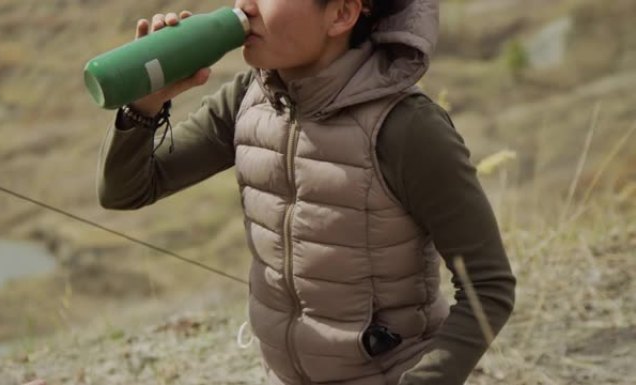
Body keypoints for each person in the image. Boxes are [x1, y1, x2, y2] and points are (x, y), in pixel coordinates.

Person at [97, 1, 516, 384]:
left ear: (341, 15)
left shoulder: (407, 128)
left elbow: (488, 286)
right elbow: (126, 190)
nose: (244, 5)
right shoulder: (249, 99)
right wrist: (145, 106)